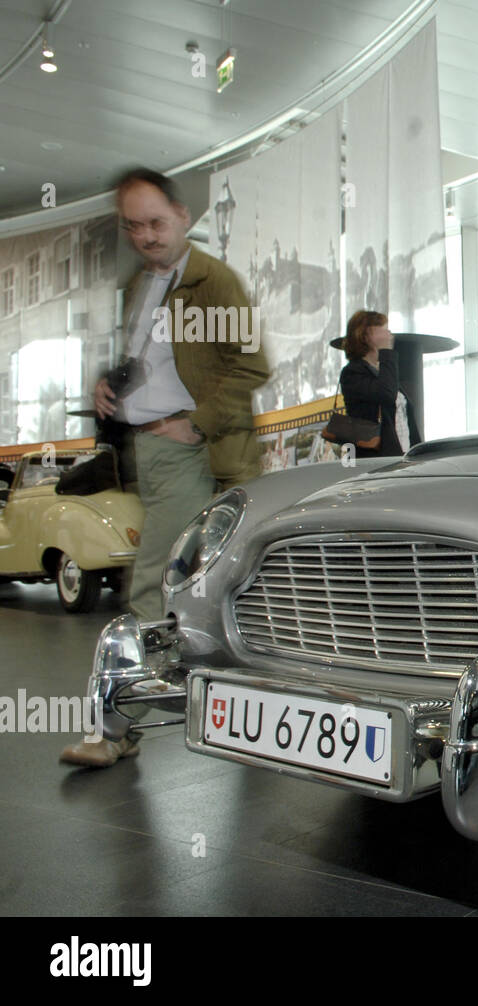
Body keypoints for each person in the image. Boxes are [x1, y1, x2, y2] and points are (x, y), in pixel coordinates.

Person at [61, 167, 270, 767]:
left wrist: (194, 420)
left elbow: (251, 366)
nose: (146, 235)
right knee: (215, 581)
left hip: (188, 448)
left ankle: (116, 725)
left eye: (156, 222)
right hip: (150, 448)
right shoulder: (141, 285)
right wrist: (111, 388)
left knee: (152, 582)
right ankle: (249, 709)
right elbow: (148, 360)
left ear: (182, 216)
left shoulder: (212, 280)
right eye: (133, 225)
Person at [339, 310, 422, 457]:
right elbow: (386, 394)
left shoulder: (382, 371)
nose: (388, 333)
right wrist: (386, 351)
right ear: (365, 335)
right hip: (377, 458)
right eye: (382, 329)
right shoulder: (353, 373)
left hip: (403, 452)